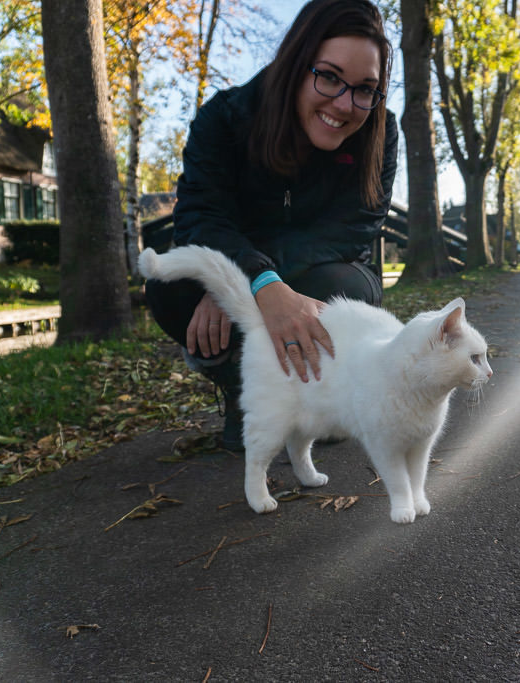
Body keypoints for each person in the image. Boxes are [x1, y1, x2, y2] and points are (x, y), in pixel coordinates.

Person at [144, 0, 398, 450]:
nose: (344, 104)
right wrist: (248, 282)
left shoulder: (381, 131)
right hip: (248, 264)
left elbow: (356, 228)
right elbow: (201, 217)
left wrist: (256, 283)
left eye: (365, 88)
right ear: (296, 63)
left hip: (328, 271)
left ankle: (324, 396)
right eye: (329, 76)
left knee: (346, 291)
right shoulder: (223, 119)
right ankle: (243, 390)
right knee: (170, 287)